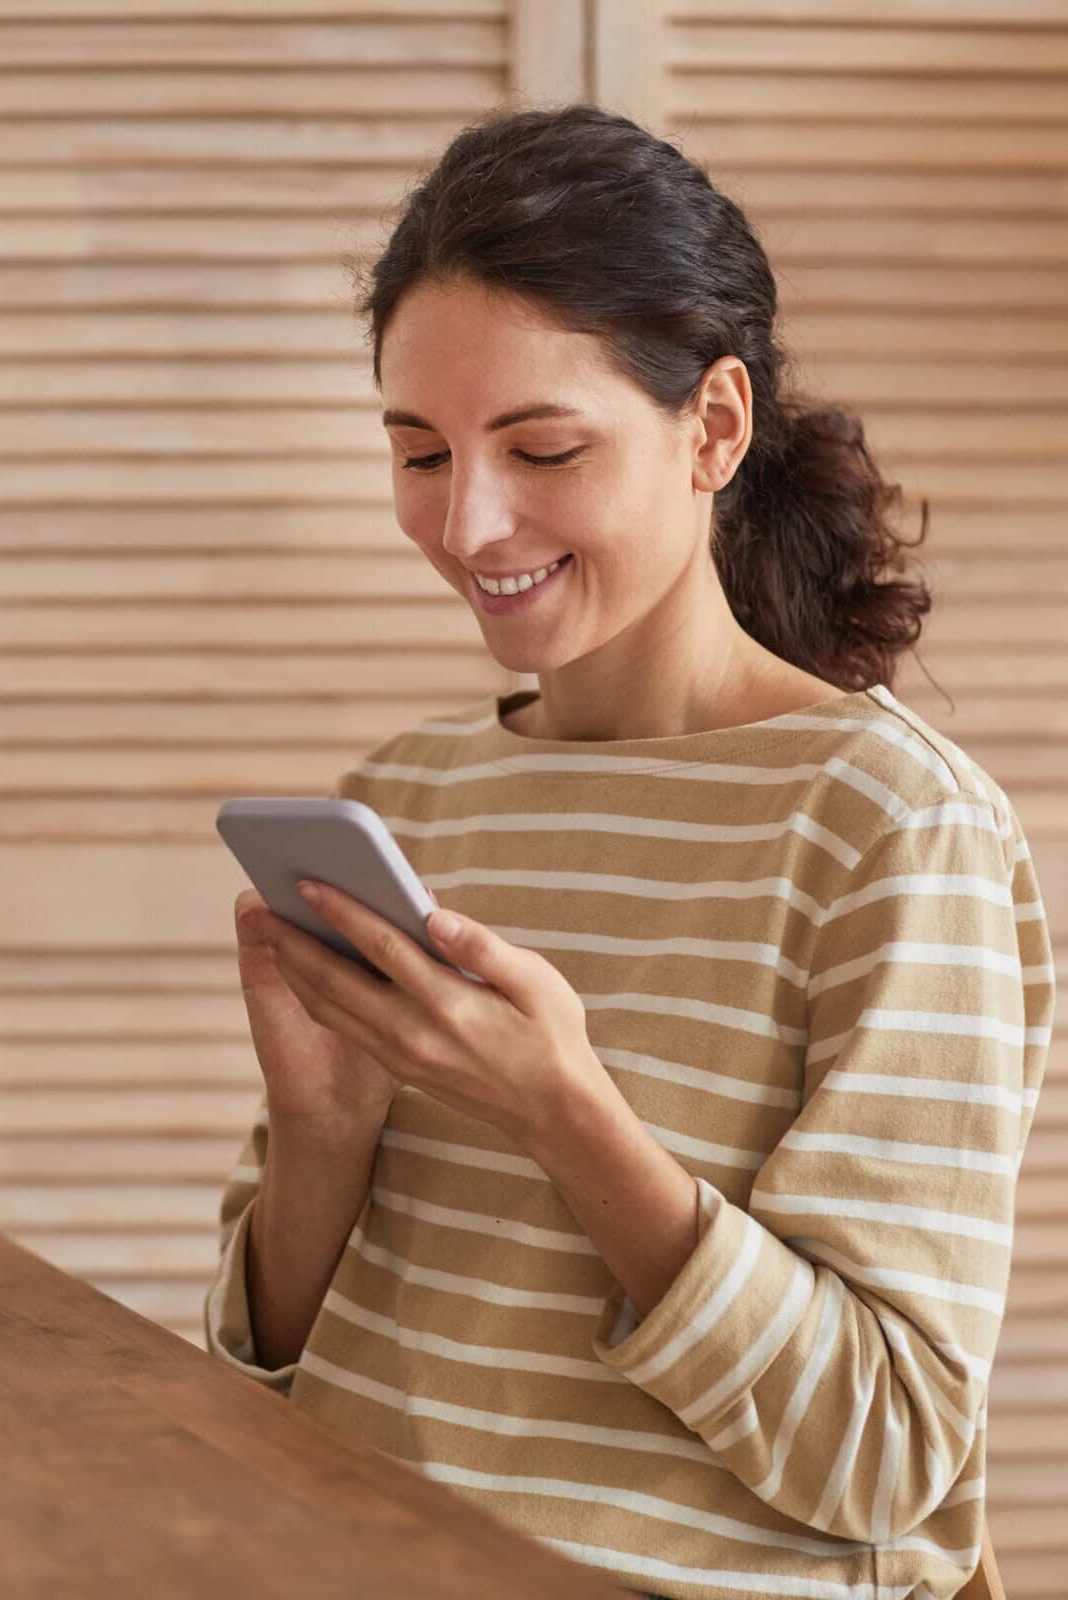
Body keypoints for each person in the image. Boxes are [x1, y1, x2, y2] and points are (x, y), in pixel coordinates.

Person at [202, 103, 1053, 1600]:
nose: (468, 524)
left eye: (541, 448)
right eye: (419, 452)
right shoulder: (400, 795)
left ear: (714, 427)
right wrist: (325, 1136)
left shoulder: (889, 831)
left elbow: (884, 1454)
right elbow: (262, 1371)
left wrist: (567, 1116)